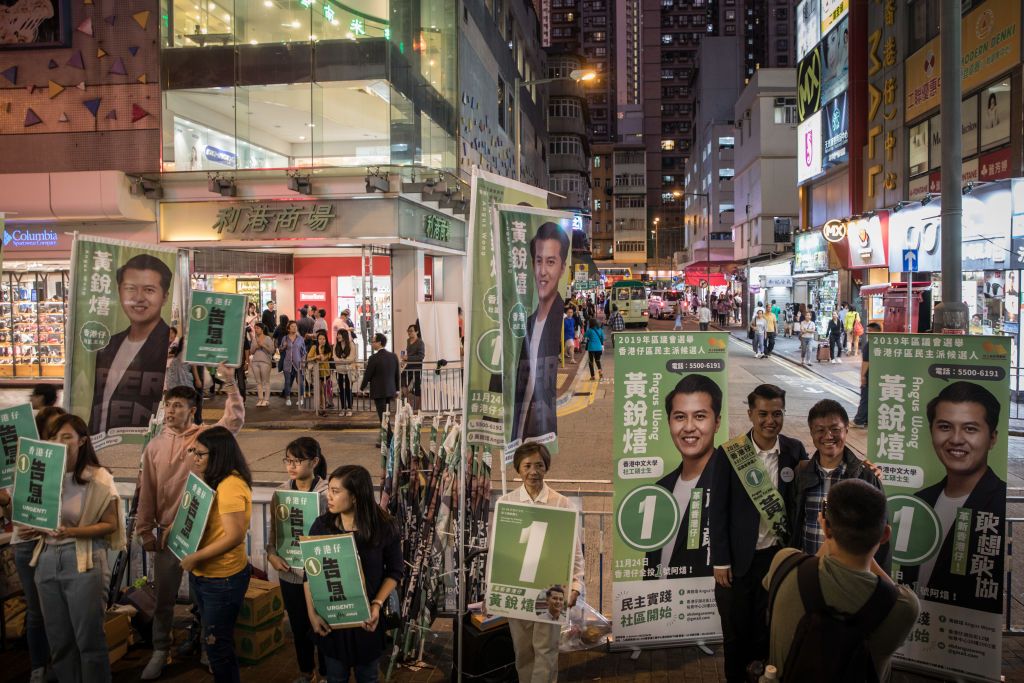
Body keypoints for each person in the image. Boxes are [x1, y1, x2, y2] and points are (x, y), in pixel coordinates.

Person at [137, 365, 244, 680]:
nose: (171, 411)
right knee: (164, 598)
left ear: (192, 410)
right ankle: (160, 649)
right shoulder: (154, 445)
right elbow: (147, 491)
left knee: (205, 599)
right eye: (169, 405)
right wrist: (144, 530)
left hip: (204, 534)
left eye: (179, 405)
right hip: (169, 534)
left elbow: (234, 420)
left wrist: (229, 384)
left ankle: (207, 648)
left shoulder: (203, 438)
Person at [763, 480, 919, 681]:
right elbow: (890, 591)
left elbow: (811, 564)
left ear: (826, 529)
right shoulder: (903, 607)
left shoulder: (784, 563)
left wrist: (830, 533)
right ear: (885, 535)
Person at [709, 384, 808, 683]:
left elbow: (821, 477)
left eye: (776, 413)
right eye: (762, 413)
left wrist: (867, 470)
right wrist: (721, 560)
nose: (770, 421)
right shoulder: (730, 453)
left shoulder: (794, 451)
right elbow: (718, 510)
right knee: (735, 634)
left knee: (768, 632)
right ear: (750, 414)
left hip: (777, 561)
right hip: (738, 563)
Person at [29, 413, 125, 682]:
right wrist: (32, 525)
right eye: (52, 436)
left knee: (89, 641)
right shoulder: (42, 473)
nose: (58, 442)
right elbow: (33, 516)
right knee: (59, 641)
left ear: (82, 440)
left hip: (84, 560)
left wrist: (71, 531)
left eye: (66, 436)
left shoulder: (98, 477)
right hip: (46, 559)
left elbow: (109, 523)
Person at [899, 381, 1006, 614]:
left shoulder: (1000, 503)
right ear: (931, 431)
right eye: (945, 426)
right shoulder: (919, 501)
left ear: (993, 437)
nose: (956, 439)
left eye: (970, 429)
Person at [306, 465, 403, 683]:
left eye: (336, 491)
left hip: (367, 620)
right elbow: (309, 575)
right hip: (332, 622)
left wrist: (376, 604)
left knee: (368, 676)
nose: (328, 496)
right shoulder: (322, 526)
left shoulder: (384, 527)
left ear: (356, 496)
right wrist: (313, 615)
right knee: (335, 676)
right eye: (329, 490)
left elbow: (395, 571)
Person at [500, 443, 583, 683]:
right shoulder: (508, 503)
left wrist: (576, 585)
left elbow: (574, 550)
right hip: (517, 590)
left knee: (546, 652)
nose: (533, 471)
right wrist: (491, 591)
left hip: (551, 590)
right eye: (527, 466)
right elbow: (498, 552)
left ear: (546, 467)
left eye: (539, 465)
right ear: (518, 469)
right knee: (523, 652)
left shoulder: (561, 503)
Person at [179, 426, 253, 683]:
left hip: (222, 578)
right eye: (193, 452)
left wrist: (195, 558)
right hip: (205, 574)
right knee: (214, 643)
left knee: (218, 646)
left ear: (218, 454)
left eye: (200, 454)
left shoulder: (231, 486)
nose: (195, 458)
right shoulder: (213, 479)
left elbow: (233, 536)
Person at [789, 400, 890, 571]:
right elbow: (794, 522)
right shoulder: (801, 473)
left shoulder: (865, 476)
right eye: (820, 430)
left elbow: (879, 533)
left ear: (846, 430)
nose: (828, 436)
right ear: (812, 434)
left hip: (850, 575)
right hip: (810, 571)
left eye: (835, 429)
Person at [0, 405, 62, 683]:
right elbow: (13, 513)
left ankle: (63, 664)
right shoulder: (23, 460)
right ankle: (38, 666)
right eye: (52, 430)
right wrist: (5, 501)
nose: (57, 437)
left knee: (62, 610)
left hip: (61, 542)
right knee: (36, 610)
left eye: (62, 431)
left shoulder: (70, 463)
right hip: (27, 543)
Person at [645, 374, 720, 580]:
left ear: (717, 423)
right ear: (669, 422)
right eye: (680, 417)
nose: (688, 427)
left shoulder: (729, 482)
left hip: (706, 607)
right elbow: (651, 562)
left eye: (699, 416)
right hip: (661, 603)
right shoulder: (660, 489)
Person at [89, 253, 173, 436]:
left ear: (165, 296)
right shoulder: (107, 345)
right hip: (102, 441)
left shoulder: (170, 345)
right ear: (119, 291)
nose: (138, 297)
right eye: (130, 288)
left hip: (142, 443)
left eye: (149, 290)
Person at [267, 438, 329, 683]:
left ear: (314, 461)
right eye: (288, 460)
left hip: (318, 573)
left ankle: (326, 673)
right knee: (298, 624)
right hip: (289, 571)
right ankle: (306, 672)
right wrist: (271, 554)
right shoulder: (281, 492)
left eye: (297, 461)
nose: (291, 466)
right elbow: (274, 532)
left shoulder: (326, 493)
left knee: (322, 624)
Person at [511, 222, 568, 446]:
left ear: (563, 268)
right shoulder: (525, 323)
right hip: (517, 436)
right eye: (539, 261)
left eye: (551, 262)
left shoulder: (558, 320)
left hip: (540, 434)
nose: (543, 271)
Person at [360, 333, 399, 431]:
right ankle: (385, 436)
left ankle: (389, 438)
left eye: (373, 341)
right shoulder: (393, 356)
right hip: (390, 390)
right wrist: (397, 389)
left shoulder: (373, 358)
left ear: (379, 343)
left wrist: (362, 387)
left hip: (378, 391)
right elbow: (397, 374)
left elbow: (368, 374)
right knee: (386, 414)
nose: (371, 344)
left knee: (382, 416)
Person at [851, 322, 881, 428]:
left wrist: (862, 376)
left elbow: (866, 362)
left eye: (870, 331)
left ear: (876, 331)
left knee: (865, 398)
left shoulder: (870, 344)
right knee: (871, 398)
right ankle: (867, 419)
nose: (868, 333)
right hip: (878, 376)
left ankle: (859, 420)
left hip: (869, 376)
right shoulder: (881, 343)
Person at [280, 321, 307, 407]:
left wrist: (303, 362)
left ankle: (301, 398)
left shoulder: (300, 339)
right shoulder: (285, 338)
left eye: (295, 326)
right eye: (292, 326)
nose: (294, 328)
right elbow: (280, 349)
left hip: (298, 363)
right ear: (288, 328)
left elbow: (304, 352)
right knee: (287, 382)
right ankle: (288, 398)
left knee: (300, 382)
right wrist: (283, 346)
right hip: (287, 363)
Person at [307, 330, 333, 416]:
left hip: (326, 373)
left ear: (326, 340)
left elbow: (322, 358)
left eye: (323, 339)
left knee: (326, 391)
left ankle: (325, 406)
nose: (321, 341)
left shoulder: (328, 348)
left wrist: (319, 350)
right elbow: (308, 358)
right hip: (317, 372)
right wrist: (315, 356)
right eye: (320, 339)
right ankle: (321, 408)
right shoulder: (314, 347)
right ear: (317, 340)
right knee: (319, 391)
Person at [333, 328, 358, 417]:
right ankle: (343, 408)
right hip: (339, 371)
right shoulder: (336, 345)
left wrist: (341, 361)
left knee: (348, 390)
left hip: (349, 371)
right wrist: (343, 361)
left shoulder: (351, 344)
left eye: (340, 334)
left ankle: (349, 408)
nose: (338, 336)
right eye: (338, 334)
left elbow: (351, 358)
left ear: (344, 335)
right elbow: (335, 358)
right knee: (341, 390)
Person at [401, 324, 425, 409]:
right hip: (409, 365)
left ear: (417, 332)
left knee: (417, 387)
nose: (409, 332)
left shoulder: (420, 342)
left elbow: (421, 356)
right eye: (408, 331)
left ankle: (417, 408)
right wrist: (404, 360)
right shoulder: (408, 341)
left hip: (417, 366)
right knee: (402, 377)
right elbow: (408, 354)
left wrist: (408, 358)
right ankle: (409, 400)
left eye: (411, 331)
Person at [251, 323, 275, 407]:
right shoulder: (254, 339)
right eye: (255, 328)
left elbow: (272, 350)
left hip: (265, 362)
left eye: (257, 328)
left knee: (266, 381)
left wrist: (263, 345)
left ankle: (266, 399)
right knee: (258, 382)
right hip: (255, 362)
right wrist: (256, 347)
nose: (256, 329)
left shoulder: (268, 338)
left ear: (262, 329)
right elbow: (251, 351)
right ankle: (260, 399)